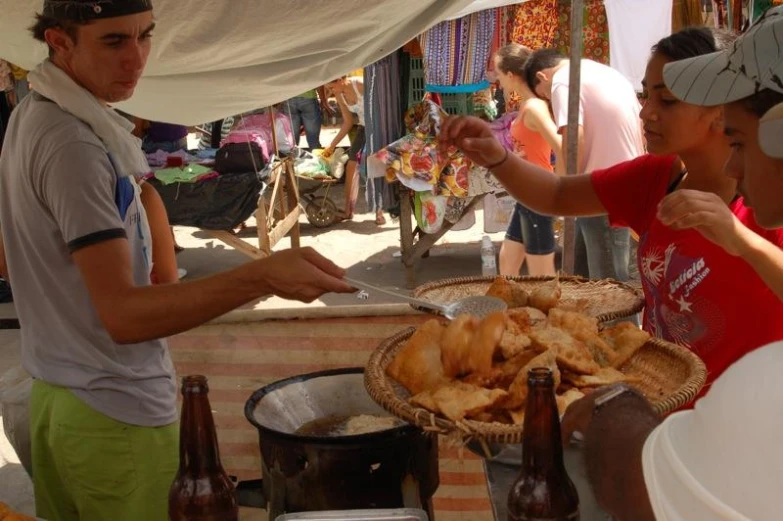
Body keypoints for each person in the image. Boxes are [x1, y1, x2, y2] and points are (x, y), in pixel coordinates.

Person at [0, 2, 354, 520]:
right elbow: (124, 316)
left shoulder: (34, 113)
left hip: (63, 399)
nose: (138, 58)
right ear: (60, 42)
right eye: (114, 42)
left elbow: (14, 263)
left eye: (145, 36)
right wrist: (261, 274)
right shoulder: (72, 142)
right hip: (111, 413)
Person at [438, 27, 783, 390]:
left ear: (720, 110)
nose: (645, 113)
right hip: (664, 403)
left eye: (667, 101)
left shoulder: (768, 197)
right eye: (646, 96)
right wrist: (497, 157)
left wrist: (741, 239)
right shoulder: (657, 178)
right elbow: (557, 195)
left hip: (748, 417)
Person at [559, 11, 783, 521]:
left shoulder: (763, 393)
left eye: (739, 139)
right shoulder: (662, 177)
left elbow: (646, 496)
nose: (730, 164)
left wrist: (615, 415)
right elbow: (555, 194)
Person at [524, 48, 645, 281]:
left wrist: (561, 190)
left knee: (609, 284)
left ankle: (614, 319)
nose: (549, 100)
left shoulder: (563, 81)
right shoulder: (606, 73)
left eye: (545, 96)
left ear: (542, 76)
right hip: (623, 183)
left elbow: (572, 142)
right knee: (581, 275)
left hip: (604, 189)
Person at [493, 44, 563, 277]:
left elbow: (561, 145)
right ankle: (511, 311)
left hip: (538, 193)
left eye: (499, 73)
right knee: (508, 263)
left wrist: (561, 188)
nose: (498, 80)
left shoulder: (534, 107)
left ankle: (550, 313)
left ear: (511, 75)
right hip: (527, 194)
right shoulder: (526, 106)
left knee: (541, 274)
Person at [324, 75, 369, 223]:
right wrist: (332, 145)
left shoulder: (360, 83)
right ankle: (348, 210)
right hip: (363, 128)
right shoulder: (339, 93)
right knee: (351, 165)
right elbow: (348, 122)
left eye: (331, 87)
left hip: (377, 125)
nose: (330, 92)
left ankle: (379, 212)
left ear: (339, 80)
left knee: (374, 165)